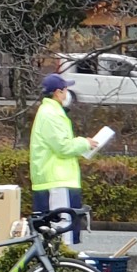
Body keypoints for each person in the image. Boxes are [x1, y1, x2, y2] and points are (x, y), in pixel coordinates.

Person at [29, 73, 97, 244]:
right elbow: (63, 147)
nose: (68, 94)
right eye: (66, 89)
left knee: (51, 235)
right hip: (58, 182)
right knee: (62, 234)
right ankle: (62, 269)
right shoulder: (52, 114)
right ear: (58, 92)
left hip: (52, 181)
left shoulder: (48, 112)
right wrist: (85, 143)